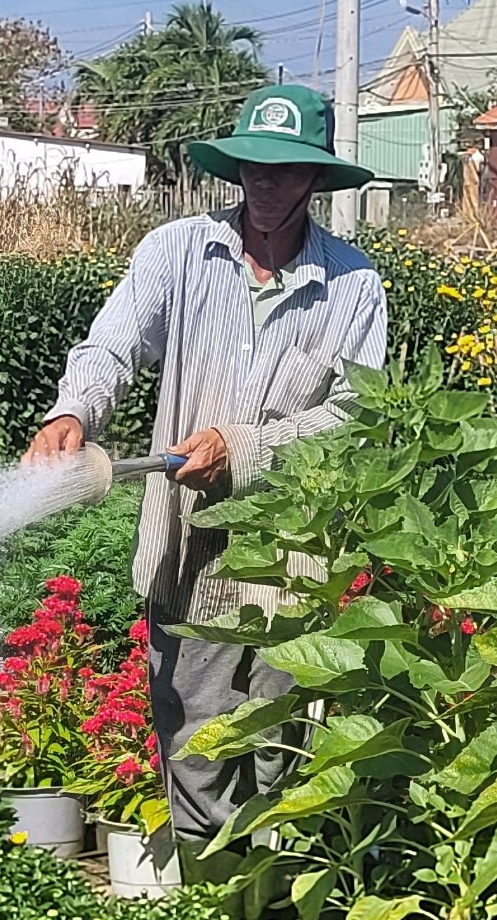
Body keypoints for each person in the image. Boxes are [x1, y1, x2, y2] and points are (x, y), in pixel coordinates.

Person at [22, 84, 384, 844]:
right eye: (251, 164)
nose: (264, 181)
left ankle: (272, 917)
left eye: (285, 170)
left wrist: (244, 447)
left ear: (315, 180)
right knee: (195, 749)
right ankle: (212, 916)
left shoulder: (352, 285)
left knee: (282, 754)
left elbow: (355, 416)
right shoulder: (176, 252)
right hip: (193, 549)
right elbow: (113, 345)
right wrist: (72, 412)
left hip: (291, 557)